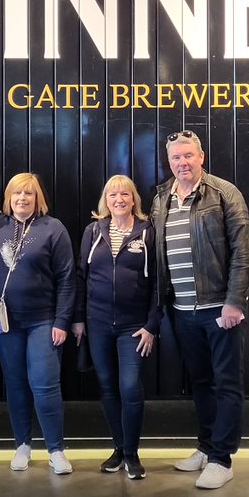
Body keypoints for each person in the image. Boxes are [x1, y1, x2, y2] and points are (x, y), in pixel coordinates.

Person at [151, 131, 249, 489]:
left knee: (227, 384)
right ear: (169, 162)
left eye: (188, 156)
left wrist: (234, 301)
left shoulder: (224, 193)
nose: (182, 162)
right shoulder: (161, 197)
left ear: (201, 157)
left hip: (219, 309)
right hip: (182, 311)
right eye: (176, 157)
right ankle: (207, 447)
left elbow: (243, 251)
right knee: (201, 383)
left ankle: (222, 459)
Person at [72, 175, 160, 480]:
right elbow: (80, 277)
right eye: (113, 195)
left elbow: (159, 281)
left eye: (125, 194)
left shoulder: (147, 231)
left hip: (134, 327)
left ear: (134, 199)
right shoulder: (93, 231)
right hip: (97, 324)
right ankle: (119, 449)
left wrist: (152, 324)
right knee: (108, 386)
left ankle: (132, 454)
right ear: (105, 201)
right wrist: (79, 319)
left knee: (130, 387)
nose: (119, 199)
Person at [0, 173, 76, 475]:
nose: (22, 199)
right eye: (17, 193)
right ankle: (22, 445)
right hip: (6, 323)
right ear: (8, 198)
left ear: (38, 198)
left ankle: (56, 450)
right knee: (15, 384)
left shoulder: (53, 228)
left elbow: (67, 278)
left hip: (44, 321)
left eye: (28, 193)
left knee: (45, 385)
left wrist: (62, 320)